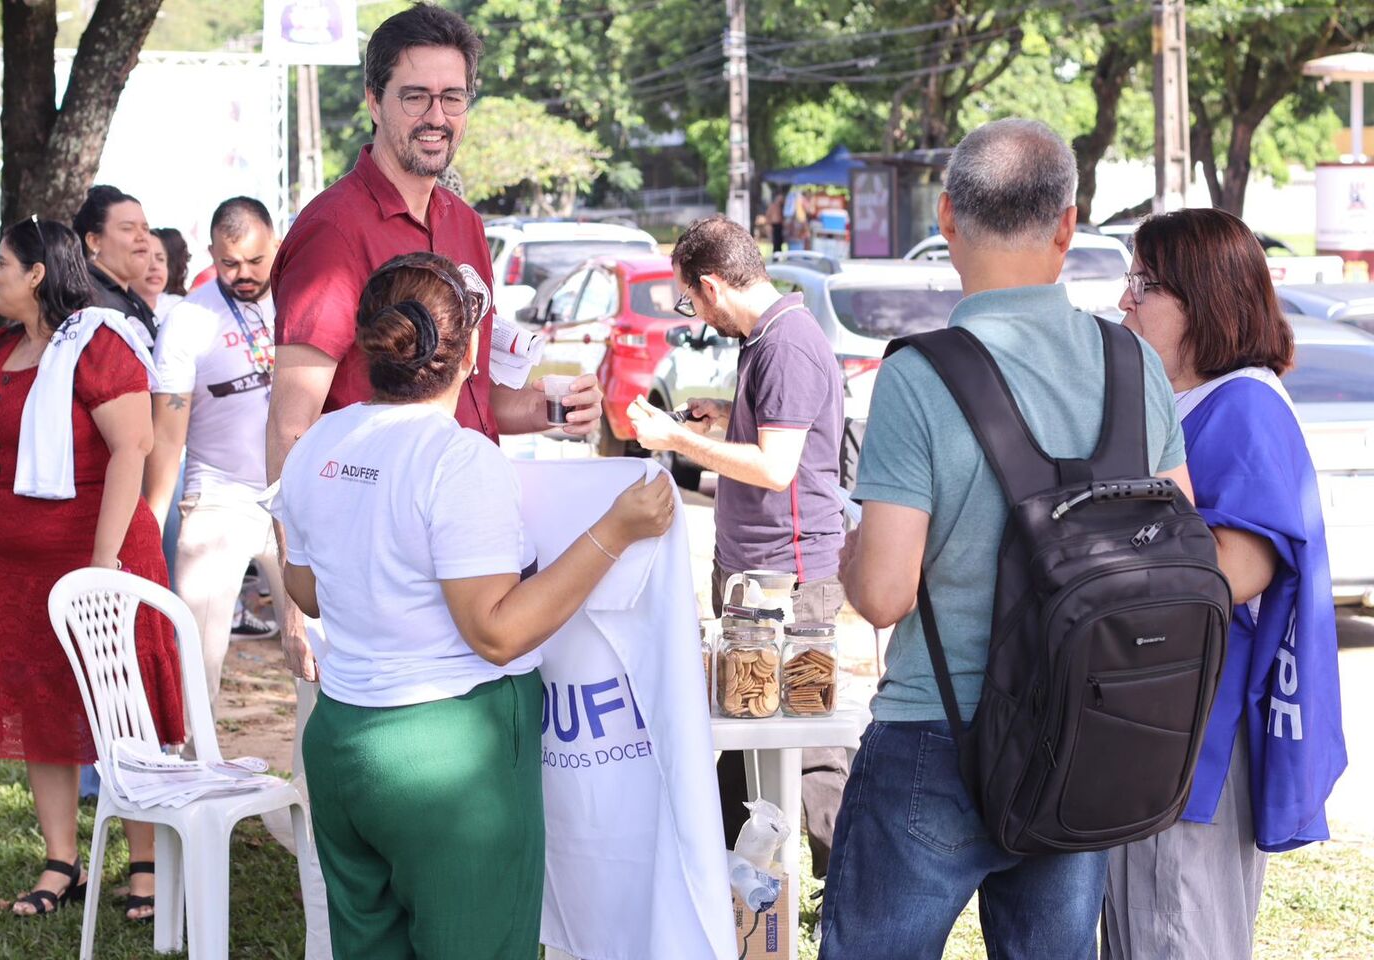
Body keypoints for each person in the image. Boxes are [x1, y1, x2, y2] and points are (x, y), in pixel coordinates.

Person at [820, 119, 1189, 959]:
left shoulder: (918, 377)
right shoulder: (1133, 365)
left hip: (937, 735)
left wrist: (852, 555)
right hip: (1088, 733)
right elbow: (1174, 547)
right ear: (1068, 224)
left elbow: (882, 595)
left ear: (945, 219)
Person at [270, 251, 673, 959]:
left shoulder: (319, 443)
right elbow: (496, 631)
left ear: (369, 344)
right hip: (449, 753)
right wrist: (617, 529)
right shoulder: (456, 458)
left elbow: (306, 591)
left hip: (343, 742)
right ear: (472, 349)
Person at [268, 1, 603, 737]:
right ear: (373, 99)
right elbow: (292, 430)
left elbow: (470, 400)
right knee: (357, 800)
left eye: (452, 97)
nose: (436, 116)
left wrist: (552, 409)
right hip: (371, 585)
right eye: (414, 95)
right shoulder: (333, 231)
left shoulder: (463, 223)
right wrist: (297, 598)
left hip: (465, 555)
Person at [1102, 209, 1345, 960]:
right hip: (1157, 731)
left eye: (1143, 284)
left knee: (1176, 932)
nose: (1125, 302)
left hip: (1196, 737)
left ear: (1202, 297)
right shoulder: (1191, 401)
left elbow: (1237, 571)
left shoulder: (1242, 404)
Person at [0, 217, 183, 920]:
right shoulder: (2, 347)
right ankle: (61, 862)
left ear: (38, 273)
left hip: (96, 562)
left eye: (4, 265)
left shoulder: (100, 342)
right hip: (15, 575)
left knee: (119, 711)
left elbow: (134, 447)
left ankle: (145, 866)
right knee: (40, 709)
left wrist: (103, 568)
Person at [628, 214, 848, 877]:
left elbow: (777, 468)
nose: (693, 314)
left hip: (790, 576)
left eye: (689, 300)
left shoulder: (785, 345)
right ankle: (731, 877)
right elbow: (781, 438)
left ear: (715, 284)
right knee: (745, 724)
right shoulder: (766, 338)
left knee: (807, 743)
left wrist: (677, 441)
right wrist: (725, 419)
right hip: (758, 570)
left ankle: (847, 890)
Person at [145, 197, 285, 712]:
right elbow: (167, 434)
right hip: (216, 498)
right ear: (211, 253)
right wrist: (152, 521)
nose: (242, 274)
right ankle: (194, 781)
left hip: (298, 500)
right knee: (198, 662)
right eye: (229, 263)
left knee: (321, 653)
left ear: (276, 242)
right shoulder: (189, 320)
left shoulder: (305, 297)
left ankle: (312, 790)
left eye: (254, 261)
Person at [73, 184, 157, 345]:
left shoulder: (130, 296)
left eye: (145, 229)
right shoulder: (83, 295)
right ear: (94, 241)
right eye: (127, 228)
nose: (142, 237)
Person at [765, 188, 786, 252]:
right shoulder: (773, 206)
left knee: (780, 241)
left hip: (780, 225)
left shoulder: (782, 206)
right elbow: (768, 215)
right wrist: (769, 225)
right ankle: (776, 254)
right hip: (774, 225)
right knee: (776, 241)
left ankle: (779, 253)